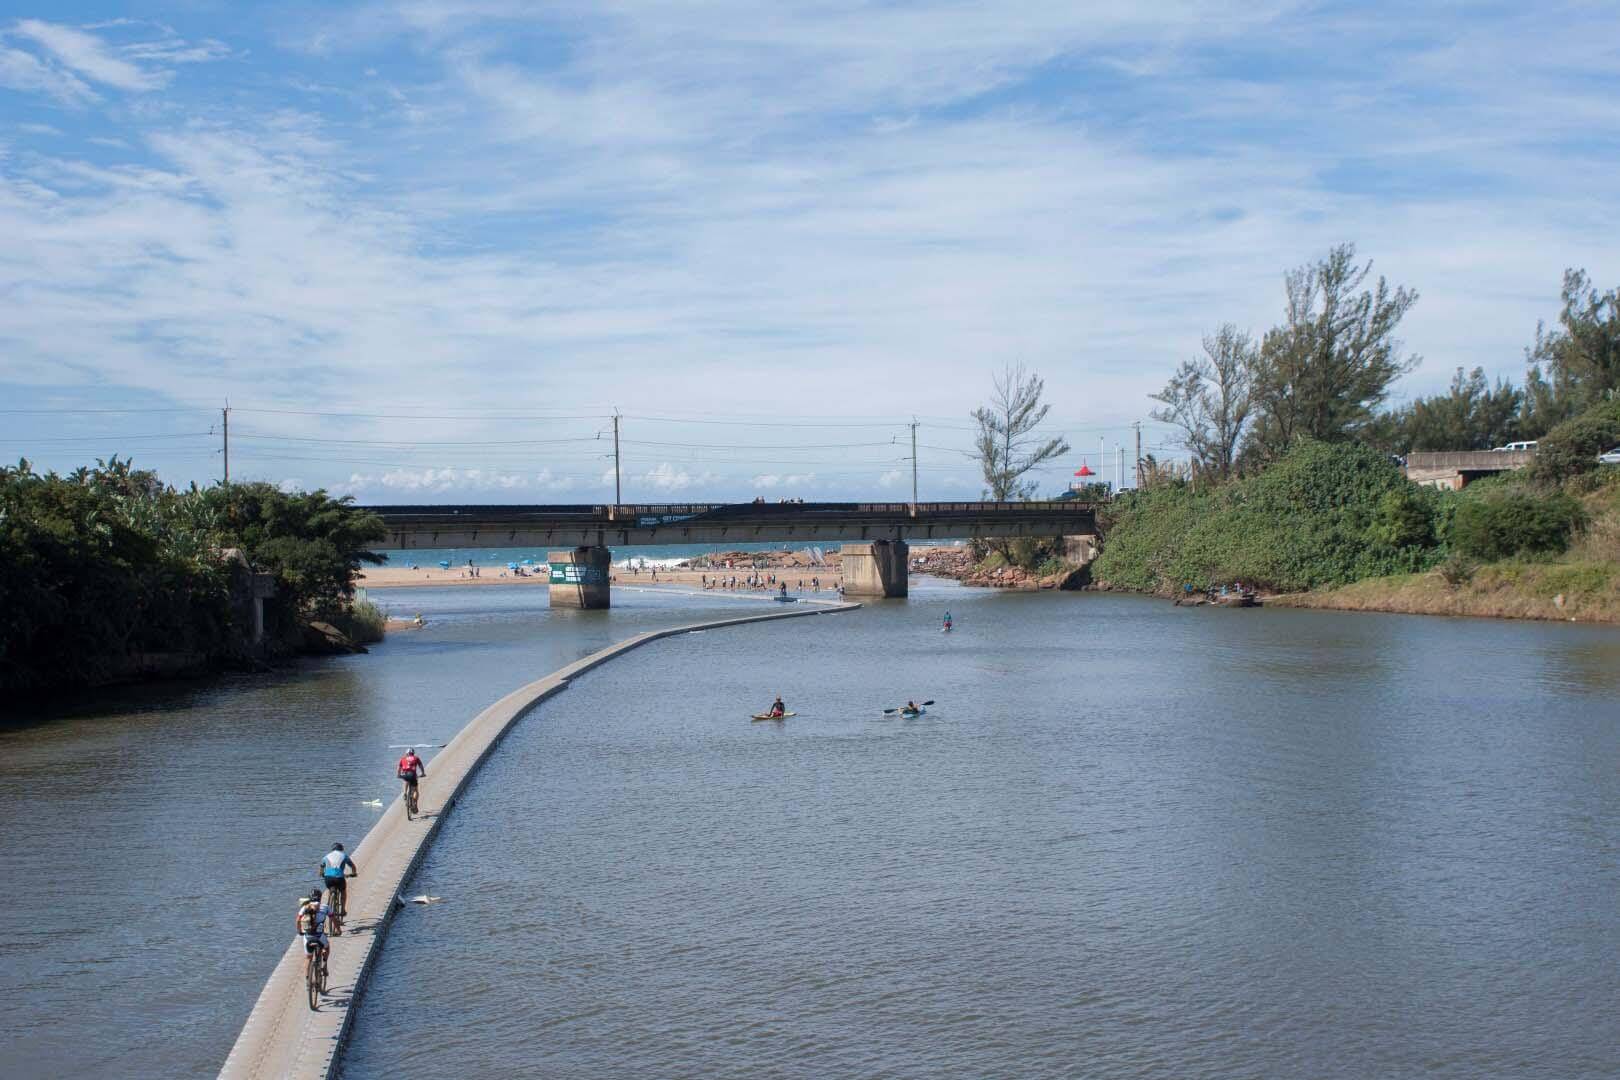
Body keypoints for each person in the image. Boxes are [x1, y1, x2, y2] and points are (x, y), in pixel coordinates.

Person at [319, 842, 358, 922]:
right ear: (341, 849)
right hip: (339, 878)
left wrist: (322, 874)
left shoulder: (326, 856)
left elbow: (321, 867)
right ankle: (343, 910)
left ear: (332, 849)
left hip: (328, 878)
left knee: (330, 888)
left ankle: (330, 901)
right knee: (343, 891)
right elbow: (352, 866)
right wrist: (353, 874)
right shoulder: (344, 855)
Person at [296, 889, 330, 965]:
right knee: (326, 947)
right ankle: (324, 965)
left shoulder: (304, 908)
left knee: (308, 957)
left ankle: (308, 975)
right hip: (319, 935)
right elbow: (333, 918)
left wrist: (299, 931)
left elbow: (298, 920)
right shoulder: (324, 907)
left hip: (307, 935)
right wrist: (338, 930)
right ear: (320, 898)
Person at [398, 747, 426, 812]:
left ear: (406, 753)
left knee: (405, 780)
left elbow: (399, 768)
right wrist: (423, 773)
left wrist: (398, 775)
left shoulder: (403, 758)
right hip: (413, 774)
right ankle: (415, 804)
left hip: (405, 774)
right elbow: (420, 766)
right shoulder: (416, 758)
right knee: (416, 790)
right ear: (413, 753)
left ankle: (404, 793)